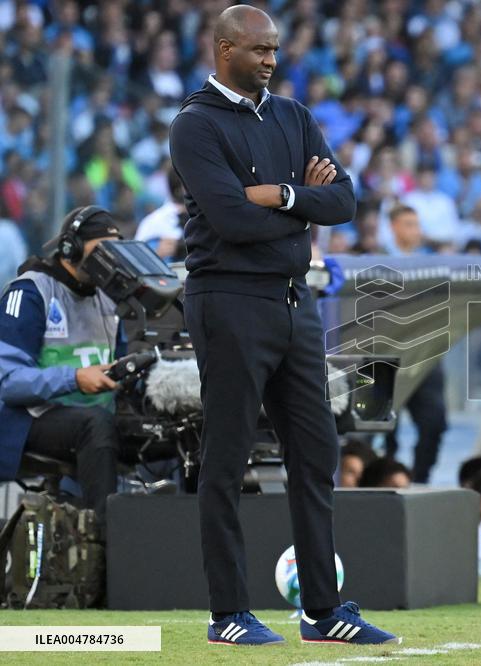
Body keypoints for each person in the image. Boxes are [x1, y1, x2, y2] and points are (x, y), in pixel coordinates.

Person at [168, 6, 397, 647]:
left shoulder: (293, 115)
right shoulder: (195, 124)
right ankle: (226, 614)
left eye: (274, 49)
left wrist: (283, 194)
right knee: (227, 456)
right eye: (259, 50)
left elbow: (344, 200)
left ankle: (322, 611)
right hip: (229, 300)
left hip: (295, 303)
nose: (271, 60)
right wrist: (303, 202)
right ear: (224, 50)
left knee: (316, 453)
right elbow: (231, 221)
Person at [0, 206, 124, 523]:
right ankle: (102, 537)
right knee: (95, 424)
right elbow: (8, 382)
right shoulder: (31, 291)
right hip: (30, 417)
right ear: (71, 248)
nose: (108, 261)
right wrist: (75, 378)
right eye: (101, 251)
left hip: (94, 413)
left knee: (170, 429)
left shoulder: (110, 298)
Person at [381, 205, 448, 484]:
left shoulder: (431, 265)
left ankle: (421, 478)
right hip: (382, 357)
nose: (415, 231)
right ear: (393, 226)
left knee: (435, 422)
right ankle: (383, 478)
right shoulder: (374, 259)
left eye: (417, 225)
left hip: (423, 356)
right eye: (409, 224)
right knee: (378, 426)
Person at [134, 166, 188, 262]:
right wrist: (157, 254)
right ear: (178, 189)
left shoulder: (207, 215)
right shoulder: (155, 221)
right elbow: (135, 260)